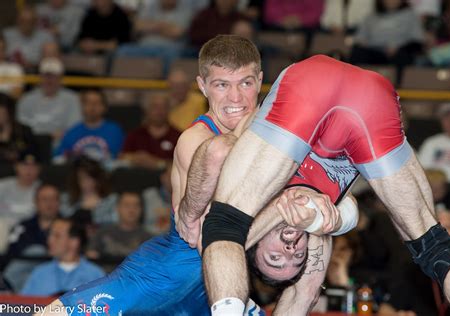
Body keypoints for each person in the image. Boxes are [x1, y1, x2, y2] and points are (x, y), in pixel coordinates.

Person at [36, 35, 350, 316]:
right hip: (168, 272)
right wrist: (290, 202)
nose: (236, 99)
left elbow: (342, 200)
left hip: (218, 283)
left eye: (245, 83)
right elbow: (210, 238)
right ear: (202, 86)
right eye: (222, 85)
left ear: (260, 80)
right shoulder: (197, 141)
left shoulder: (279, 139)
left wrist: (321, 208)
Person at [186, 40, 450, 315]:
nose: (290, 249)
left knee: (224, 226)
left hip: (312, 85)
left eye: (276, 257)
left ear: (254, 247)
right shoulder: (317, 227)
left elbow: (216, 151)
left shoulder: (255, 183)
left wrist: (191, 212)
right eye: (297, 257)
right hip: (371, 103)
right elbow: (306, 294)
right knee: (436, 248)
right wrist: (327, 220)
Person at [21, 217, 105, 296]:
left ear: (74, 242)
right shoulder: (39, 274)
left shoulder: (95, 276)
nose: (49, 240)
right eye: (49, 235)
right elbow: (22, 307)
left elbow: (106, 308)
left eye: (57, 236)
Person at [16, 57, 82, 141]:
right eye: (46, 76)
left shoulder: (72, 99)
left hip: (61, 144)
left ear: (60, 78)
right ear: (40, 77)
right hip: (33, 143)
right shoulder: (26, 99)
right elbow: (21, 126)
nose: (49, 80)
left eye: (53, 76)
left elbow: (75, 127)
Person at [53, 88, 124, 164]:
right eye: (88, 103)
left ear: (104, 107)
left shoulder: (115, 131)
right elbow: (58, 159)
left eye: (96, 103)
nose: (92, 107)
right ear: (81, 106)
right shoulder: (71, 132)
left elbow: (121, 158)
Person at [120, 92, 180, 169]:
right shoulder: (134, 135)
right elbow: (121, 158)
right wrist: (135, 158)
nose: (159, 111)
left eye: (163, 107)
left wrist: (158, 163)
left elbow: (183, 165)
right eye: (155, 107)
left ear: (169, 110)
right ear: (147, 110)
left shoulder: (178, 136)